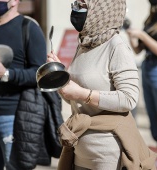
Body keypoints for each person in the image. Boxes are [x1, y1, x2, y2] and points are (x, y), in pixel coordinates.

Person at [47, 0, 157, 169]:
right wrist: (61, 77)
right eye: (75, 4)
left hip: (106, 154)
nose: (76, 9)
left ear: (101, 9)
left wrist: (81, 94)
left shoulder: (116, 46)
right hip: (79, 149)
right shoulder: (84, 43)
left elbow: (129, 99)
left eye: (83, 5)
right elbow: (75, 99)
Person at [0, 0, 46, 169]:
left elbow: (40, 74)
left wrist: (6, 74)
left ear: (14, 1)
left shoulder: (28, 28)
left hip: (13, 117)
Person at [126, 0, 157, 142]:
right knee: (153, 117)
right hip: (147, 67)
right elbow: (138, 50)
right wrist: (131, 34)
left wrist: (141, 35)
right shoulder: (151, 18)